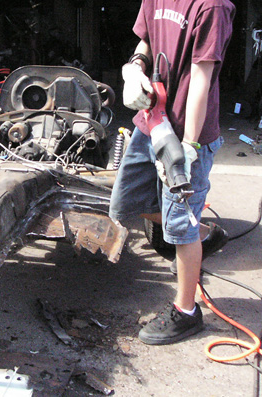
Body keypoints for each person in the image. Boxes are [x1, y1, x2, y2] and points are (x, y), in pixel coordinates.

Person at [109, 0, 236, 345]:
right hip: (151, 120)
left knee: (179, 226)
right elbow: (146, 41)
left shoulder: (212, 7)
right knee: (124, 205)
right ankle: (203, 236)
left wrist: (190, 148)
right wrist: (135, 68)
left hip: (186, 134)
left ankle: (186, 313)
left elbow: (201, 79)